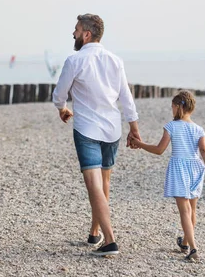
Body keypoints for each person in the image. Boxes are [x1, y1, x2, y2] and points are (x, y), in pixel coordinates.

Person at [53, 14, 141, 256]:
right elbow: (126, 97)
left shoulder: (74, 60)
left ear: (87, 34)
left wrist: (61, 108)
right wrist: (134, 129)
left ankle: (110, 240)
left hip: (87, 130)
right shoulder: (115, 60)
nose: (73, 34)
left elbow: (59, 94)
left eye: (76, 29)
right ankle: (95, 233)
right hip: (112, 129)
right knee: (103, 184)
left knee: (94, 186)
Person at [129, 90, 205, 262]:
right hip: (197, 167)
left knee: (184, 211)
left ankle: (193, 248)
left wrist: (140, 144)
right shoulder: (198, 129)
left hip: (180, 168)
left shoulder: (172, 126)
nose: (171, 110)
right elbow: (204, 150)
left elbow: (159, 150)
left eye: (172, 107)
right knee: (192, 209)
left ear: (176, 107)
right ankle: (185, 243)